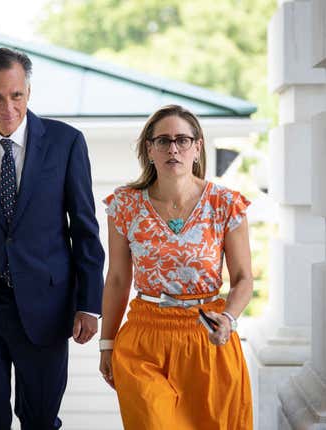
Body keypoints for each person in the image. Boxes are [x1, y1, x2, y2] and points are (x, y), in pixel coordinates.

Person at [0, 47, 105, 429]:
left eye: (16, 95)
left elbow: (85, 230)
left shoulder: (66, 143)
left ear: (28, 91)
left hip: (46, 307)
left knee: (40, 419)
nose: (8, 106)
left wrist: (89, 303)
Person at [99, 104, 253, 429]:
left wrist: (228, 319)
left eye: (183, 140)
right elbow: (116, 280)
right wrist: (107, 344)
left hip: (207, 336)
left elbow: (242, 279)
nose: (173, 148)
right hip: (145, 338)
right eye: (163, 140)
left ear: (197, 147)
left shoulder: (225, 204)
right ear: (149, 149)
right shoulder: (125, 206)